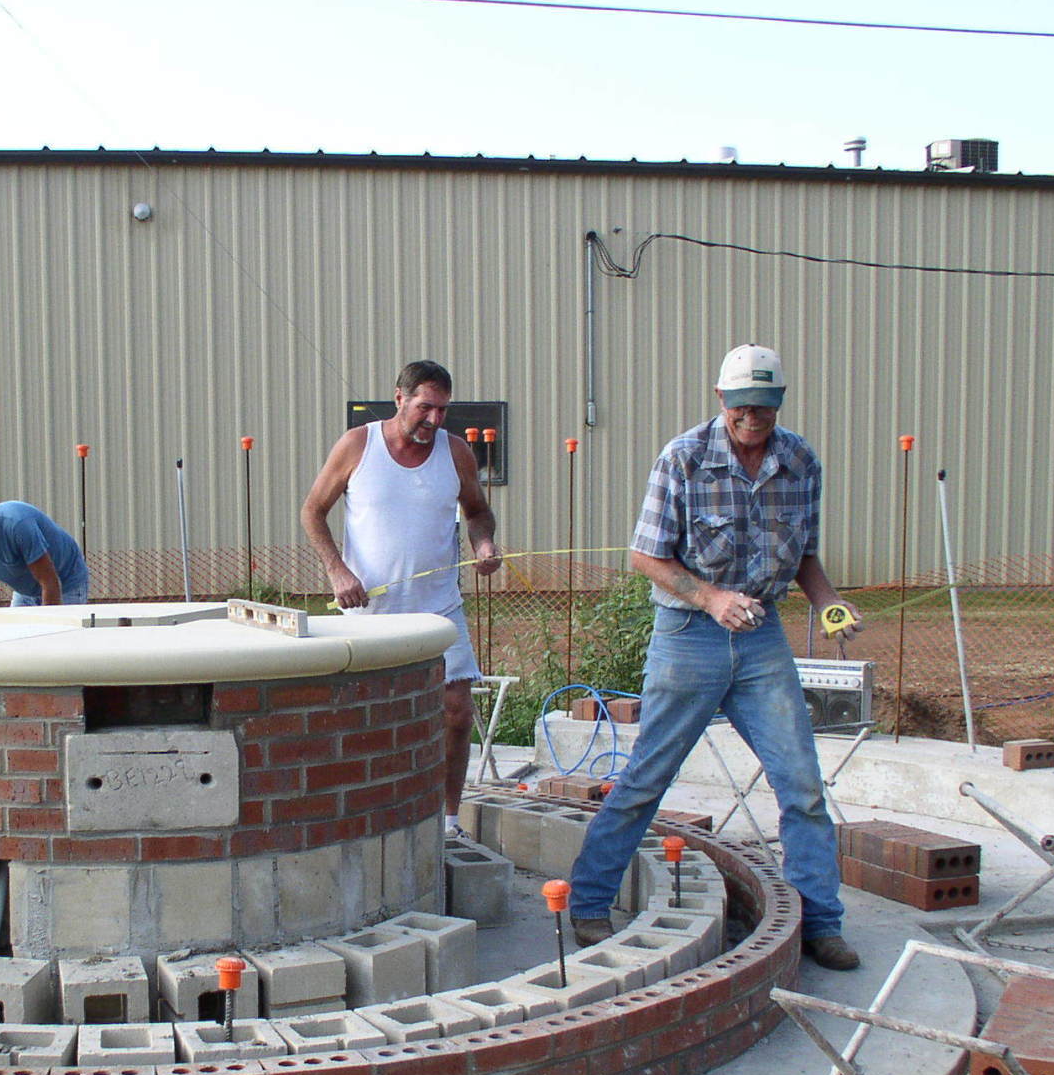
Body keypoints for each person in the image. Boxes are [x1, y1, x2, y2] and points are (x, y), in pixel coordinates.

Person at [566, 344, 863, 971]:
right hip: (688, 637)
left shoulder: (800, 460)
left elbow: (805, 556)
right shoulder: (684, 458)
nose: (753, 421)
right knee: (647, 776)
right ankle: (589, 904)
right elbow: (646, 557)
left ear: (779, 402)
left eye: (765, 408)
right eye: (743, 409)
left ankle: (821, 924)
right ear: (722, 400)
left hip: (761, 639)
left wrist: (829, 602)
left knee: (803, 785)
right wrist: (711, 599)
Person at [301, 359, 503, 828]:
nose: (433, 421)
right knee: (362, 715)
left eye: (442, 411)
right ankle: (359, 814)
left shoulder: (456, 453)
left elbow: (477, 511)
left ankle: (448, 820)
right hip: (370, 611)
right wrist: (338, 571)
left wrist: (485, 543)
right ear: (399, 399)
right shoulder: (358, 445)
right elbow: (313, 511)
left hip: (439, 607)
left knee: (455, 713)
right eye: (425, 408)